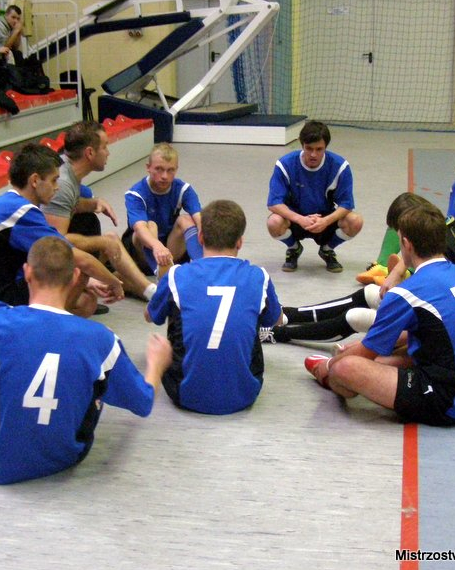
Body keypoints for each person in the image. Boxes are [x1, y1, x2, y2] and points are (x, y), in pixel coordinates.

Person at [0, 236, 172, 485]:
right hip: (69, 456)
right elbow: (143, 403)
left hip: (0, 460)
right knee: (98, 374)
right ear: (75, 277)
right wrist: (156, 364)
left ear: (27, 273)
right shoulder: (103, 339)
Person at [305, 204, 455, 426]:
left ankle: (327, 373)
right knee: (408, 346)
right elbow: (441, 331)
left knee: (345, 368)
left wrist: (329, 366)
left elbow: (365, 355)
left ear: (407, 244)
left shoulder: (407, 292)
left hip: (453, 402)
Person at [263, 193, 455, 344]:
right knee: (371, 293)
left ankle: (279, 333)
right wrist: (395, 274)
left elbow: (424, 296)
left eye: (400, 234)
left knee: (355, 317)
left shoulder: (438, 258)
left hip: (451, 327)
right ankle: (288, 314)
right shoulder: (449, 231)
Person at [146, 200, 283, 415]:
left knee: (177, 314)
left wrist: (162, 287)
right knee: (255, 320)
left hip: (184, 393)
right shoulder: (259, 276)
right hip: (245, 394)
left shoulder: (176, 275)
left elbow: (150, 316)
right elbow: (276, 320)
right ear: (239, 242)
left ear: (200, 238)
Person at [0, 142, 125, 317]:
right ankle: (47, 326)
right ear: (35, 180)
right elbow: (81, 260)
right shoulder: (21, 212)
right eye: (54, 180)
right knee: (80, 277)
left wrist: (89, 282)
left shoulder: (10, 204)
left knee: (85, 299)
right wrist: (115, 283)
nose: (57, 187)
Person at [42, 121, 158, 302]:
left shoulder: (68, 172)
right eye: (104, 147)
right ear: (89, 153)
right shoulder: (63, 183)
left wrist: (92, 204)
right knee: (108, 244)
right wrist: (102, 242)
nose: (108, 152)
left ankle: (148, 290)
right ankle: (151, 293)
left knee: (109, 245)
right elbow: (55, 241)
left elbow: (67, 206)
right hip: (43, 261)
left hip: (54, 254)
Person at [267, 120, 363, 273]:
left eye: (319, 149)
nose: (313, 154)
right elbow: (273, 203)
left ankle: (327, 249)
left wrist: (325, 221)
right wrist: (300, 219)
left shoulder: (340, 166)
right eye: (309, 148)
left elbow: (347, 204)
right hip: (296, 219)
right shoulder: (285, 165)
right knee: (274, 222)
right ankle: (293, 248)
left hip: (325, 219)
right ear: (302, 145)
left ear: (326, 147)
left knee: (355, 221)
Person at [123, 143, 203, 278]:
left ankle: (204, 265)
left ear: (176, 169)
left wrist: (203, 234)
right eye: (159, 169)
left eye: (170, 170)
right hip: (143, 253)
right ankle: (160, 272)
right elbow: (139, 227)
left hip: (170, 249)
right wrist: (156, 246)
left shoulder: (183, 189)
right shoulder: (136, 194)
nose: (165, 176)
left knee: (186, 220)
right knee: (150, 225)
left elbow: (199, 217)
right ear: (148, 168)